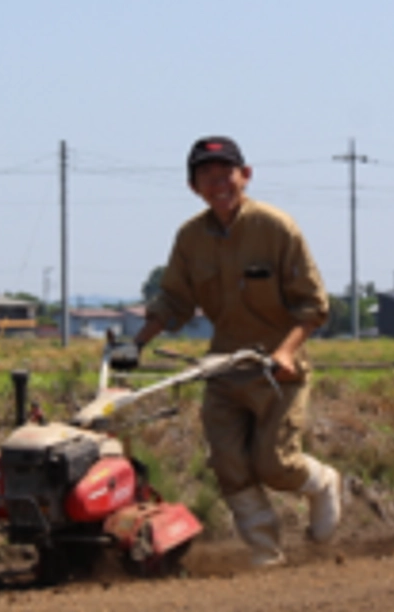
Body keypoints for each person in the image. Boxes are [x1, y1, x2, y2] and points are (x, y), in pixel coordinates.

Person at [114, 135, 343, 567]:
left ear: (246, 176)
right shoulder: (190, 238)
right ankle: (265, 554)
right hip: (223, 367)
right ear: (193, 186)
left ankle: (323, 483)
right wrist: (136, 344)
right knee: (228, 465)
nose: (218, 184)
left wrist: (286, 353)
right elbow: (173, 300)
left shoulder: (277, 228)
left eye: (226, 174)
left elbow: (313, 306)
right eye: (207, 177)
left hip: (277, 370)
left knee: (274, 465)